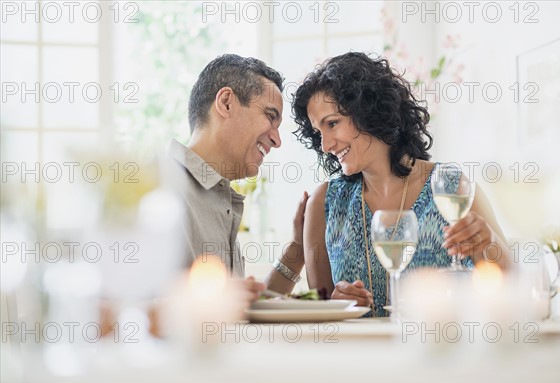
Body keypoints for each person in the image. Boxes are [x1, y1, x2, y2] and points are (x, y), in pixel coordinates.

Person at [292, 52, 511, 317]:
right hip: (359, 357)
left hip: (446, 354)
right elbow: (320, 316)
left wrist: (488, 244)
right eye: (319, 132)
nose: (326, 146)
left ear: (368, 110)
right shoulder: (324, 203)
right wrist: (335, 304)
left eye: (333, 123)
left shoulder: (451, 187)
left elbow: (514, 289)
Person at [168, 54, 307, 300]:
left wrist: (297, 249)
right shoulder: (159, 188)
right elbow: (125, 310)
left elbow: (238, 308)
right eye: (269, 115)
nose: (277, 140)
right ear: (227, 102)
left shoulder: (218, 197)